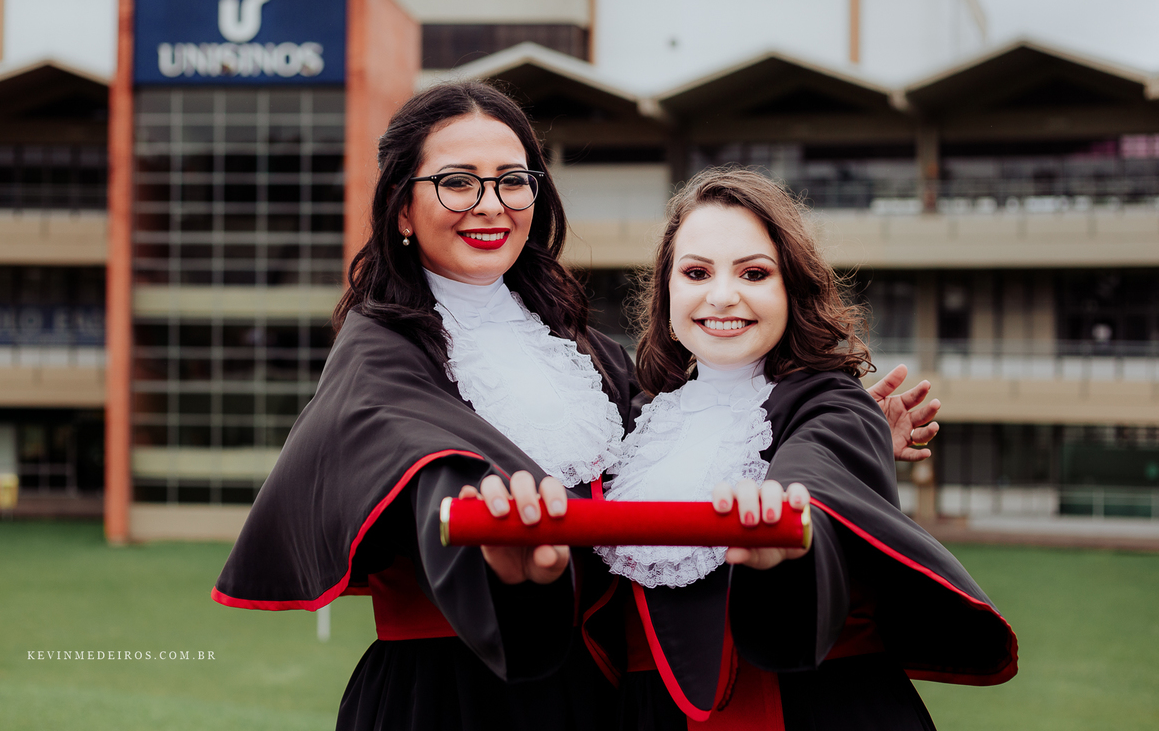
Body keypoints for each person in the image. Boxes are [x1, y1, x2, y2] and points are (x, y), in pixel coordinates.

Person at [211, 82, 944, 731]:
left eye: (512, 181)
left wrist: (837, 444)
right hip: (453, 696)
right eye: (457, 183)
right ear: (402, 206)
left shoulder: (588, 351)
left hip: (599, 694)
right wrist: (500, 546)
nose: (490, 205)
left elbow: (671, 455)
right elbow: (427, 460)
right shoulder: (379, 356)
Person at [569, 167, 1016, 729]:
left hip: (813, 707)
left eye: (754, 273)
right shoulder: (636, 423)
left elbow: (817, 471)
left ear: (791, 288)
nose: (723, 295)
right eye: (696, 272)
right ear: (666, 289)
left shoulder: (835, 403)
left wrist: (781, 521)